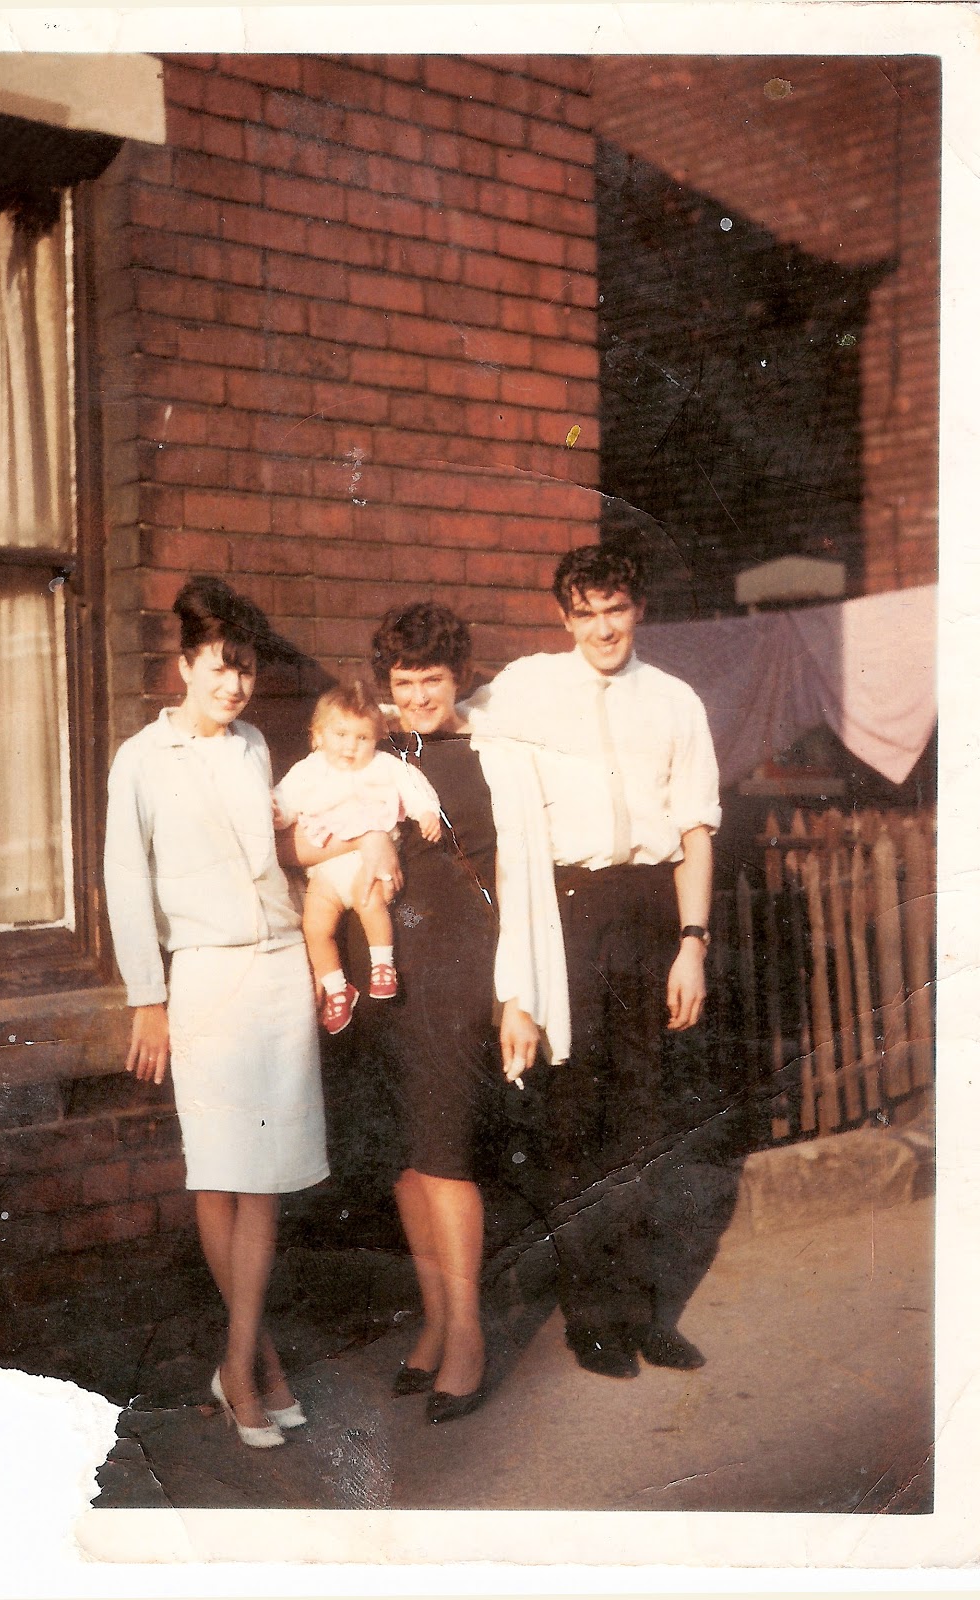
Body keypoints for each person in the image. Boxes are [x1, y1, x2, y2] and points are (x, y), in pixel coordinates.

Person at [467, 544, 722, 1380]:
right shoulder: (532, 686)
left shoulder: (677, 702)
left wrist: (692, 944)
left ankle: (647, 1314)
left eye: (615, 609)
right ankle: (594, 1321)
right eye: (585, 612)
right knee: (576, 1117)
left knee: (646, 1121)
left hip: (651, 912)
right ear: (564, 617)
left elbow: (694, 832)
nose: (602, 627)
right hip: (570, 913)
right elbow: (444, 717)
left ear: (636, 609)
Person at [103, 575, 328, 1449]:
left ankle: (245, 1362)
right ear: (185, 665)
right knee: (222, 1168)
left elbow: (278, 853)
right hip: (202, 980)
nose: (234, 686)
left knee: (266, 1173)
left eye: (246, 671)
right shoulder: (141, 761)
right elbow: (127, 883)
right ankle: (251, 1366)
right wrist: (147, 998)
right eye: (219, 668)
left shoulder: (256, 747)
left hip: (277, 974)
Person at [338, 601, 569, 1424]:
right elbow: (314, 830)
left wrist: (518, 995)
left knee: (446, 1151)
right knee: (408, 1155)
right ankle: (435, 1322)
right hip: (383, 971)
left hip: (460, 970)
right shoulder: (370, 747)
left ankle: (468, 1332)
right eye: (403, 681)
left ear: (459, 676)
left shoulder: (491, 754)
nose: (418, 695)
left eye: (431, 679)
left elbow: (521, 884)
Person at [272, 679, 442, 1034]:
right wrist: (277, 812)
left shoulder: (384, 766)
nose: (350, 747)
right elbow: (285, 800)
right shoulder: (310, 769)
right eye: (340, 735)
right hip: (326, 870)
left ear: (377, 737)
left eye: (361, 738)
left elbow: (413, 785)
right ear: (318, 736)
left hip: (369, 866)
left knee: (371, 904)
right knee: (315, 927)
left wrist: (426, 811)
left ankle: (383, 965)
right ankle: (337, 988)